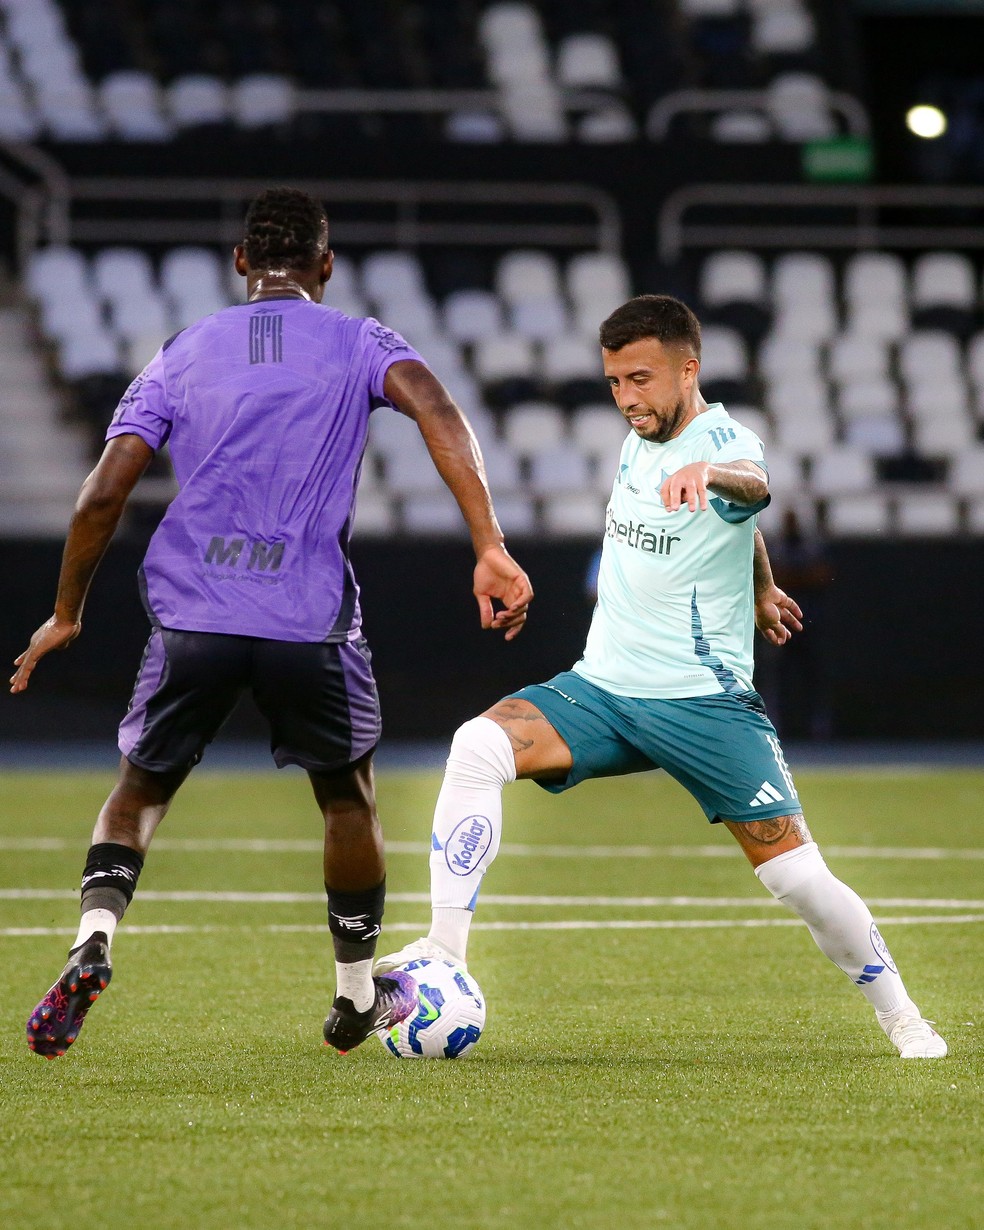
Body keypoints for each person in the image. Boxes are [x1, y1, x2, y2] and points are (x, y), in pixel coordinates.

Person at [10, 187, 533, 1059]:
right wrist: (490, 544)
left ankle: (94, 937)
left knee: (139, 793)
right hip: (306, 619)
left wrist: (67, 613)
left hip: (193, 617)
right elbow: (442, 414)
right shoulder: (363, 341)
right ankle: (354, 996)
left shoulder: (182, 352)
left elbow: (103, 492)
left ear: (242, 264)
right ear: (326, 267)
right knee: (346, 798)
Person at [378, 294, 947, 1061]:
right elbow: (743, 533)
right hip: (604, 690)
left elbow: (751, 489)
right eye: (614, 382)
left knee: (799, 882)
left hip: (704, 706)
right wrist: (759, 585)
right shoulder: (635, 439)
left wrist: (709, 471)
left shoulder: (724, 441)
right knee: (476, 745)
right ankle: (445, 951)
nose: (626, 399)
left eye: (640, 380)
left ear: (690, 368)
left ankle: (902, 1015)